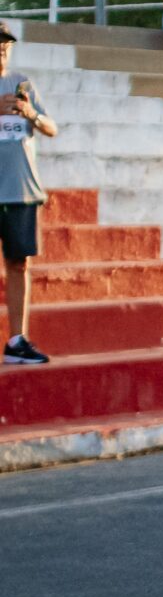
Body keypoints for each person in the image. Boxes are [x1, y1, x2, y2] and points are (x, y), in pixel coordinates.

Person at [1, 25, 58, 365]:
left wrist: (30, 113)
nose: (2, 50)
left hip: (22, 190)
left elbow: (51, 128)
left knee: (19, 262)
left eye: (6, 46)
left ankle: (17, 339)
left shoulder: (23, 84)